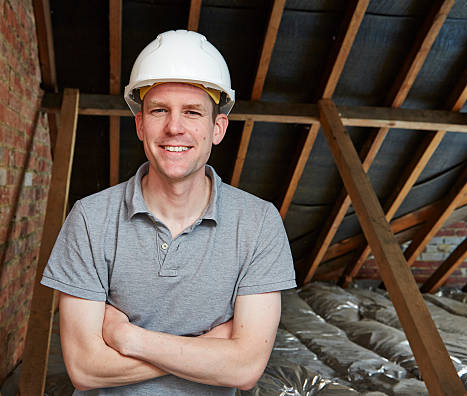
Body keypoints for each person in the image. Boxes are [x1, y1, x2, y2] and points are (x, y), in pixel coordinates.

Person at [40, 30, 296, 395]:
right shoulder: (90, 218)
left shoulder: (258, 223)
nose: (175, 127)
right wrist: (209, 346)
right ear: (141, 124)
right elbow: (86, 369)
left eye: (192, 112)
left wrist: (127, 338)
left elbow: (244, 368)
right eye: (159, 110)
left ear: (217, 128)